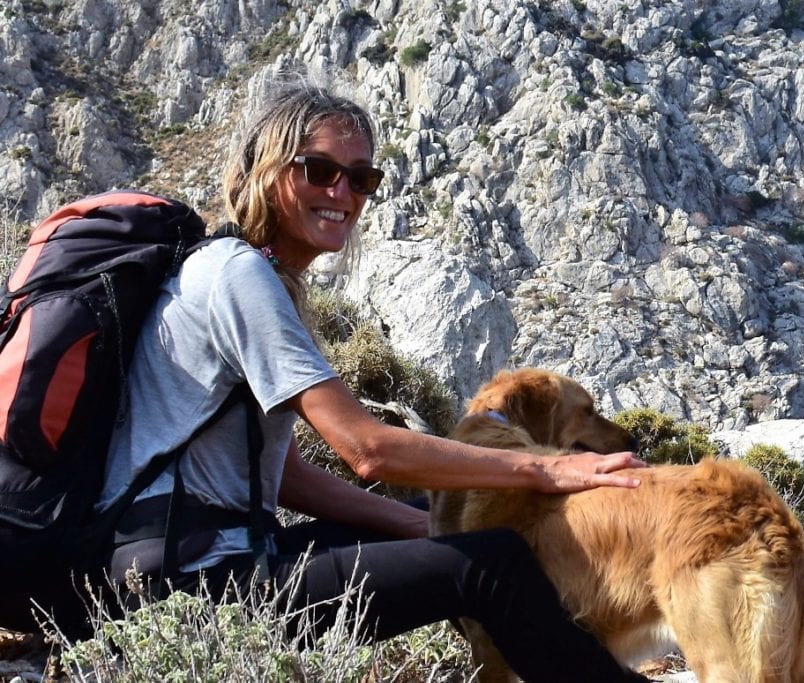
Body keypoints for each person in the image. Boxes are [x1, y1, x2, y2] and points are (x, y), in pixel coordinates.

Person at [96, 77, 649, 682]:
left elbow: (284, 478)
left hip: (212, 555)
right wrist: (548, 467)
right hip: (188, 585)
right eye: (318, 170)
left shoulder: (249, 273)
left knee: (451, 517)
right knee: (491, 562)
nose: (342, 192)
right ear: (268, 172)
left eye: (361, 179)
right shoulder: (237, 276)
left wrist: (425, 524)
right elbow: (367, 449)